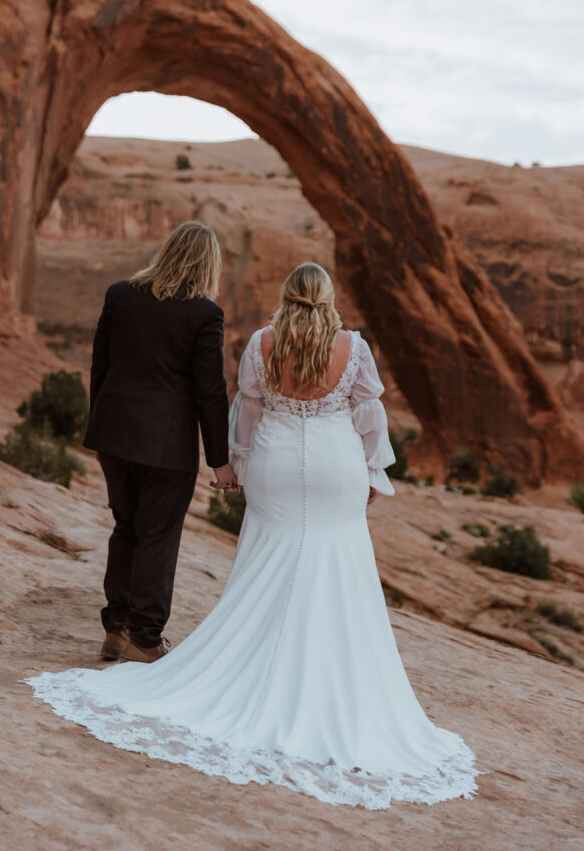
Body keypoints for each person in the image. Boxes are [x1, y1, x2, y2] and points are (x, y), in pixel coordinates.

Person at [25, 263, 478, 810]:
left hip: (277, 465)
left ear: (286, 298)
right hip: (336, 467)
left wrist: (234, 463)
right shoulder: (352, 347)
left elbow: (247, 411)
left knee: (270, 558)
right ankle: (329, 683)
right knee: (340, 561)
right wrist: (375, 470)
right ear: (328, 299)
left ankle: (247, 670)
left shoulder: (263, 344)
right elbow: (368, 412)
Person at [81, 221, 237, 664]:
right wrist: (219, 460)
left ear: (167, 250)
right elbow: (210, 390)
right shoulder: (204, 313)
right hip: (166, 447)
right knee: (158, 539)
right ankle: (145, 638)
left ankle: (116, 627)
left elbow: (101, 365)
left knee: (125, 526)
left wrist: (100, 429)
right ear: (209, 263)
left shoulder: (120, 294)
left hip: (115, 435)